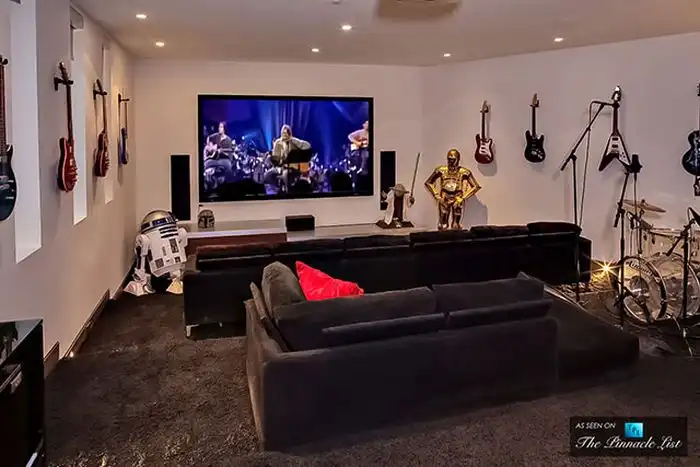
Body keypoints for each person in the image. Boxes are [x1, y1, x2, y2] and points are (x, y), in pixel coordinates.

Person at [424, 149, 481, 230]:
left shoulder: (464, 172)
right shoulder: (441, 170)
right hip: (444, 197)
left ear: (458, 159)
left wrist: (463, 198)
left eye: (453, 159)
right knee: (443, 224)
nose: (451, 162)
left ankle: (456, 234)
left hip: (457, 197)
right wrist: (436, 196)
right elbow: (428, 182)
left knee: (456, 225)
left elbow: (476, 186)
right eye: (449, 159)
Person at [268, 125, 311, 192]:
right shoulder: (277, 142)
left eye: (286, 133)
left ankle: (288, 192)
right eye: (283, 133)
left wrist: (292, 140)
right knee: (268, 174)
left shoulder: (293, 141)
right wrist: (274, 159)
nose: (284, 135)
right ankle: (276, 189)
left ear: (289, 134)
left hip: (293, 168)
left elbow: (307, 146)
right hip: (281, 167)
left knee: (286, 175)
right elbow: (276, 158)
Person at [203, 122, 235, 192]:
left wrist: (222, 152)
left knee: (229, 166)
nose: (219, 128)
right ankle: (206, 184)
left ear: (224, 129)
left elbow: (229, 154)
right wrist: (209, 146)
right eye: (219, 127)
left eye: (221, 127)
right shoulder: (215, 136)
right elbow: (208, 137)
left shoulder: (228, 140)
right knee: (205, 164)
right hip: (214, 159)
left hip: (223, 160)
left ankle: (228, 186)